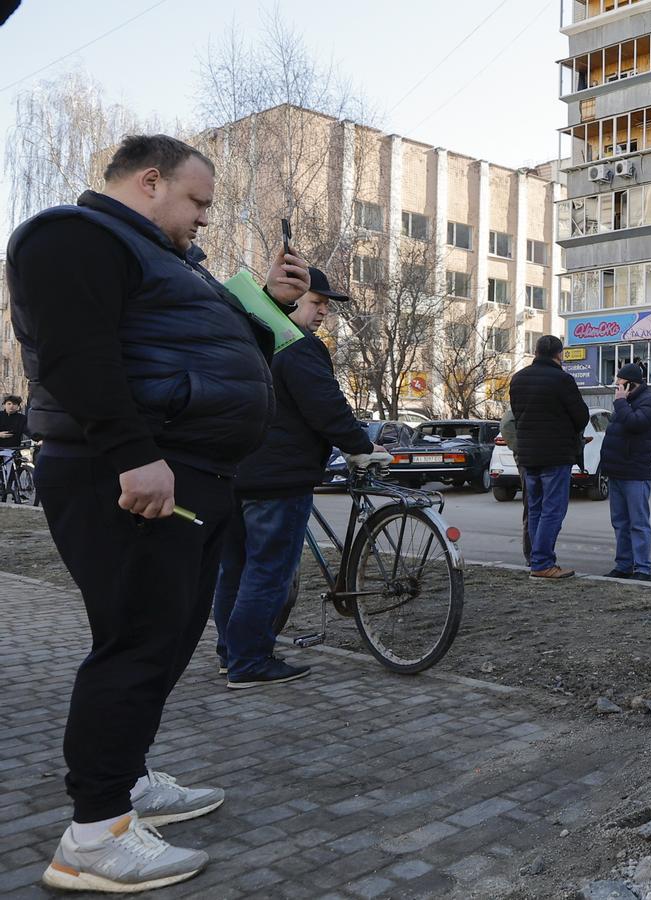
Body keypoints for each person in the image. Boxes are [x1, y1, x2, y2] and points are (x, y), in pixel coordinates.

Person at [6, 133, 307, 892]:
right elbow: (75, 355)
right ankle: (94, 837)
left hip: (188, 473)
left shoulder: (172, 265)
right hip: (135, 472)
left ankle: (127, 781)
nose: (205, 218)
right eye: (197, 201)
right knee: (137, 644)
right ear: (149, 181)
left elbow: (207, 351)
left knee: (166, 639)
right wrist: (133, 453)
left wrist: (269, 305)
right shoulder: (72, 236)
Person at [212, 268, 389, 689]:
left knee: (234, 569)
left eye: (327, 306)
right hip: (278, 478)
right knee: (268, 572)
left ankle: (230, 654)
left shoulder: (245, 340)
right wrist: (360, 446)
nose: (322, 312)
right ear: (288, 300)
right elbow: (325, 405)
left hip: (232, 472)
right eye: (315, 302)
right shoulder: (299, 347)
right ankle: (249, 661)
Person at [510, 334, 588, 579]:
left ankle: (536, 560)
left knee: (535, 509)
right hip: (555, 455)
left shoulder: (518, 379)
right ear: (559, 354)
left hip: (527, 455)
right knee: (553, 510)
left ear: (536, 352)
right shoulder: (563, 380)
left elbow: (516, 414)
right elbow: (581, 417)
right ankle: (543, 563)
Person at [600, 362, 651, 581]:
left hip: (636, 473)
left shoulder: (649, 402)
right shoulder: (625, 403)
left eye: (620, 384)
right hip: (617, 472)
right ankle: (624, 565)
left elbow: (635, 424)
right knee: (620, 522)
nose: (617, 388)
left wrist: (621, 403)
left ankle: (642, 568)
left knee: (638, 523)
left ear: (631, 385)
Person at [499, 405, 531, 566]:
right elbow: (506, 424)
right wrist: (522, 449)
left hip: (533, 458)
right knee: (532, 509)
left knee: (536, 509)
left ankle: (537, 556)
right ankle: (532, 556)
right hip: (529, 460)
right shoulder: (522, 403)